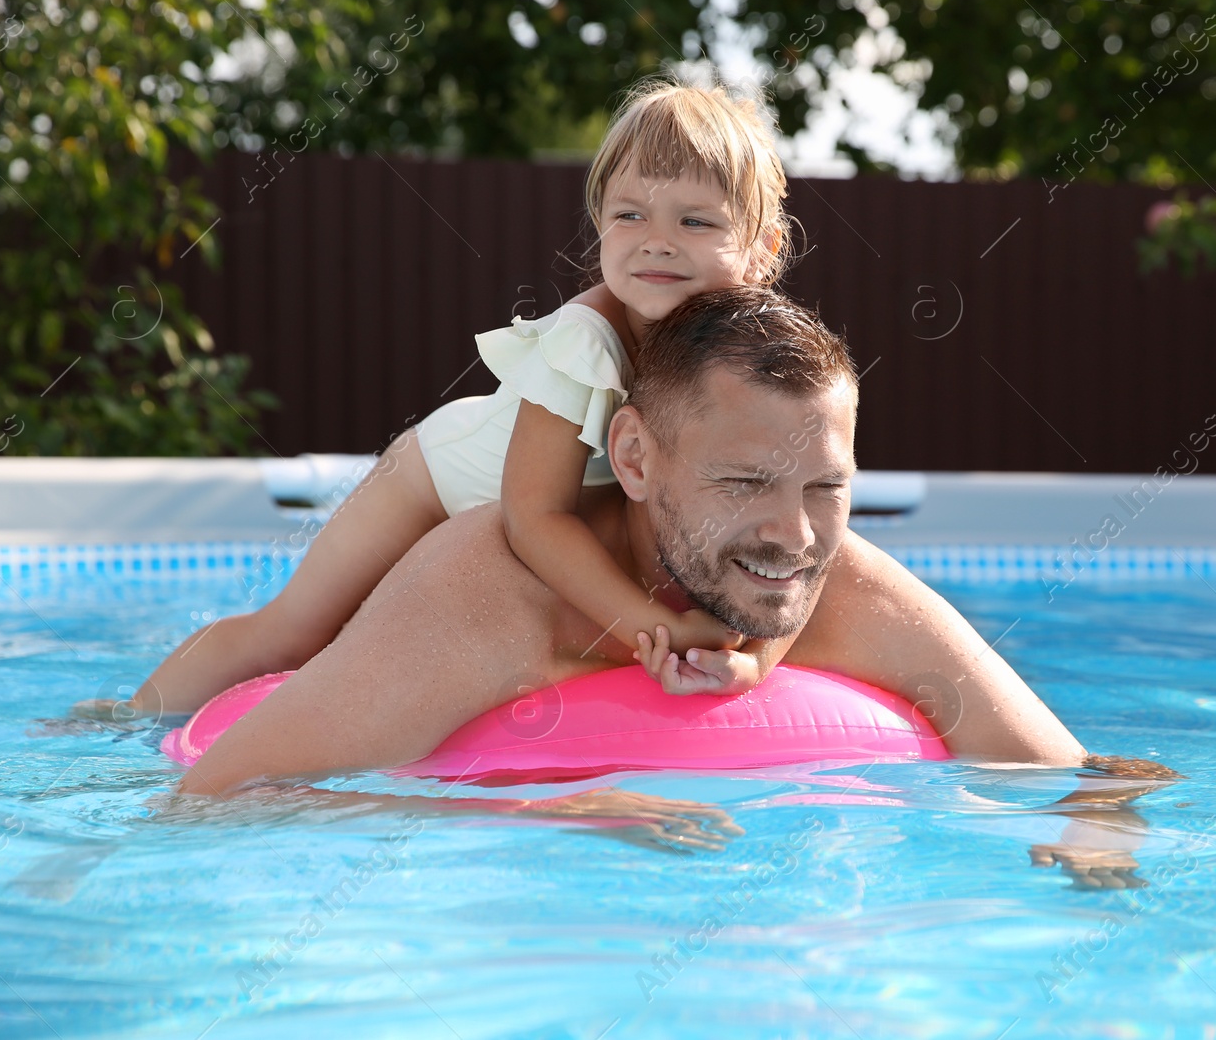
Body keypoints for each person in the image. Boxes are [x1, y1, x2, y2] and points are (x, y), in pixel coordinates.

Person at [172, 287, 1096, 802]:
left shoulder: (839, 584)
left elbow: (1074, 776)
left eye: (827, 486)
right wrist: (541, 812)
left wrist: (1096, 845)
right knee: (286, 630)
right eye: (743, 483)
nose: (796, 535)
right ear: (634, 458)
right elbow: (214, 801)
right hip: (449, 461)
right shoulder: (485, 593)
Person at [99, 77, 801, 722]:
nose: (657, 243)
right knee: (294, 633)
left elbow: (806, 524)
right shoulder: (586, 341)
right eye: (630, 214)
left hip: (524, 489)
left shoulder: (753, 359)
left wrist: (757, 655)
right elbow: (534, 517)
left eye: (695, 222)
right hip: (440, 476)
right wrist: (661, 631)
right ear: (599, 225)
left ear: (763, 248)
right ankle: (126, 719)